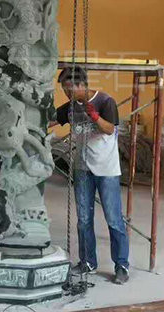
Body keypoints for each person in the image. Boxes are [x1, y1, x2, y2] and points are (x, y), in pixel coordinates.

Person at [54, 65, 130, 284]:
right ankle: (88, 262)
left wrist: (94, 116)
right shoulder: (70, 107)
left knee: (114, 219)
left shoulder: (105, 101)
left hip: (106, 170)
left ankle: (121, 265)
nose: (67, 93)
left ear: (82, 84)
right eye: (64, 89)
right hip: (82, 169)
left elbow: (109, 129)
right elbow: (51, 120)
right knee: (84, 220)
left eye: (70, 89)